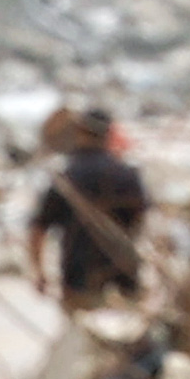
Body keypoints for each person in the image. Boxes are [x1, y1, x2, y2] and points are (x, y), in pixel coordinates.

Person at [26, 106, 148, 309]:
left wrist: (39, 273)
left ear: (80, 132)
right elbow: (141, 222)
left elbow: (39, 229)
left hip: (78, 280)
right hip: (123, 280)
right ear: (109, 134)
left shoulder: (66, 178)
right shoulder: (128, 175)